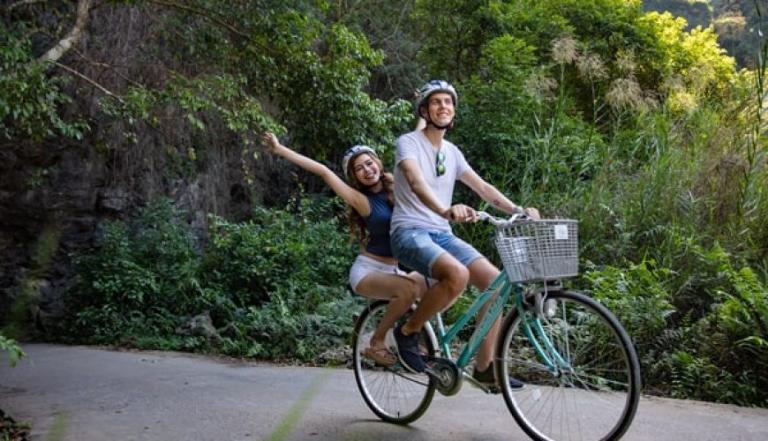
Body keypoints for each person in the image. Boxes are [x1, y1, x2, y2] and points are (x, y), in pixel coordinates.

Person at [389, 80, 540, 389]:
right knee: (457, 274)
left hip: (440, 234)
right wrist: (444, 210)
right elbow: (417, 183)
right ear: (424, 110)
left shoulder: (452, 152)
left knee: (495, 284)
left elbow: (482, 188)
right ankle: (408, 331)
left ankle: (485, 367)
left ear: (453, 111)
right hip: (409, 231)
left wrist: (518, 209)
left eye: (448, 102)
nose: (443, 106)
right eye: (436, 102)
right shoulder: (409, 142)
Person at [261, 132, 426, 366]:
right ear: (354, 177)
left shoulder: (397, 187)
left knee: (438, 280)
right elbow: (324, 172)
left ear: (378, 163)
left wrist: (423, 106)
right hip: (368, 271)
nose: (367, 170)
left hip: (395, 271)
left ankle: (416, 343)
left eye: (369, 163)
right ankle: (376, 342)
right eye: (359, 168)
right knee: (408, 290)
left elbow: (411, 148)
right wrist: (280, 150)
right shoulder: (360, 200)